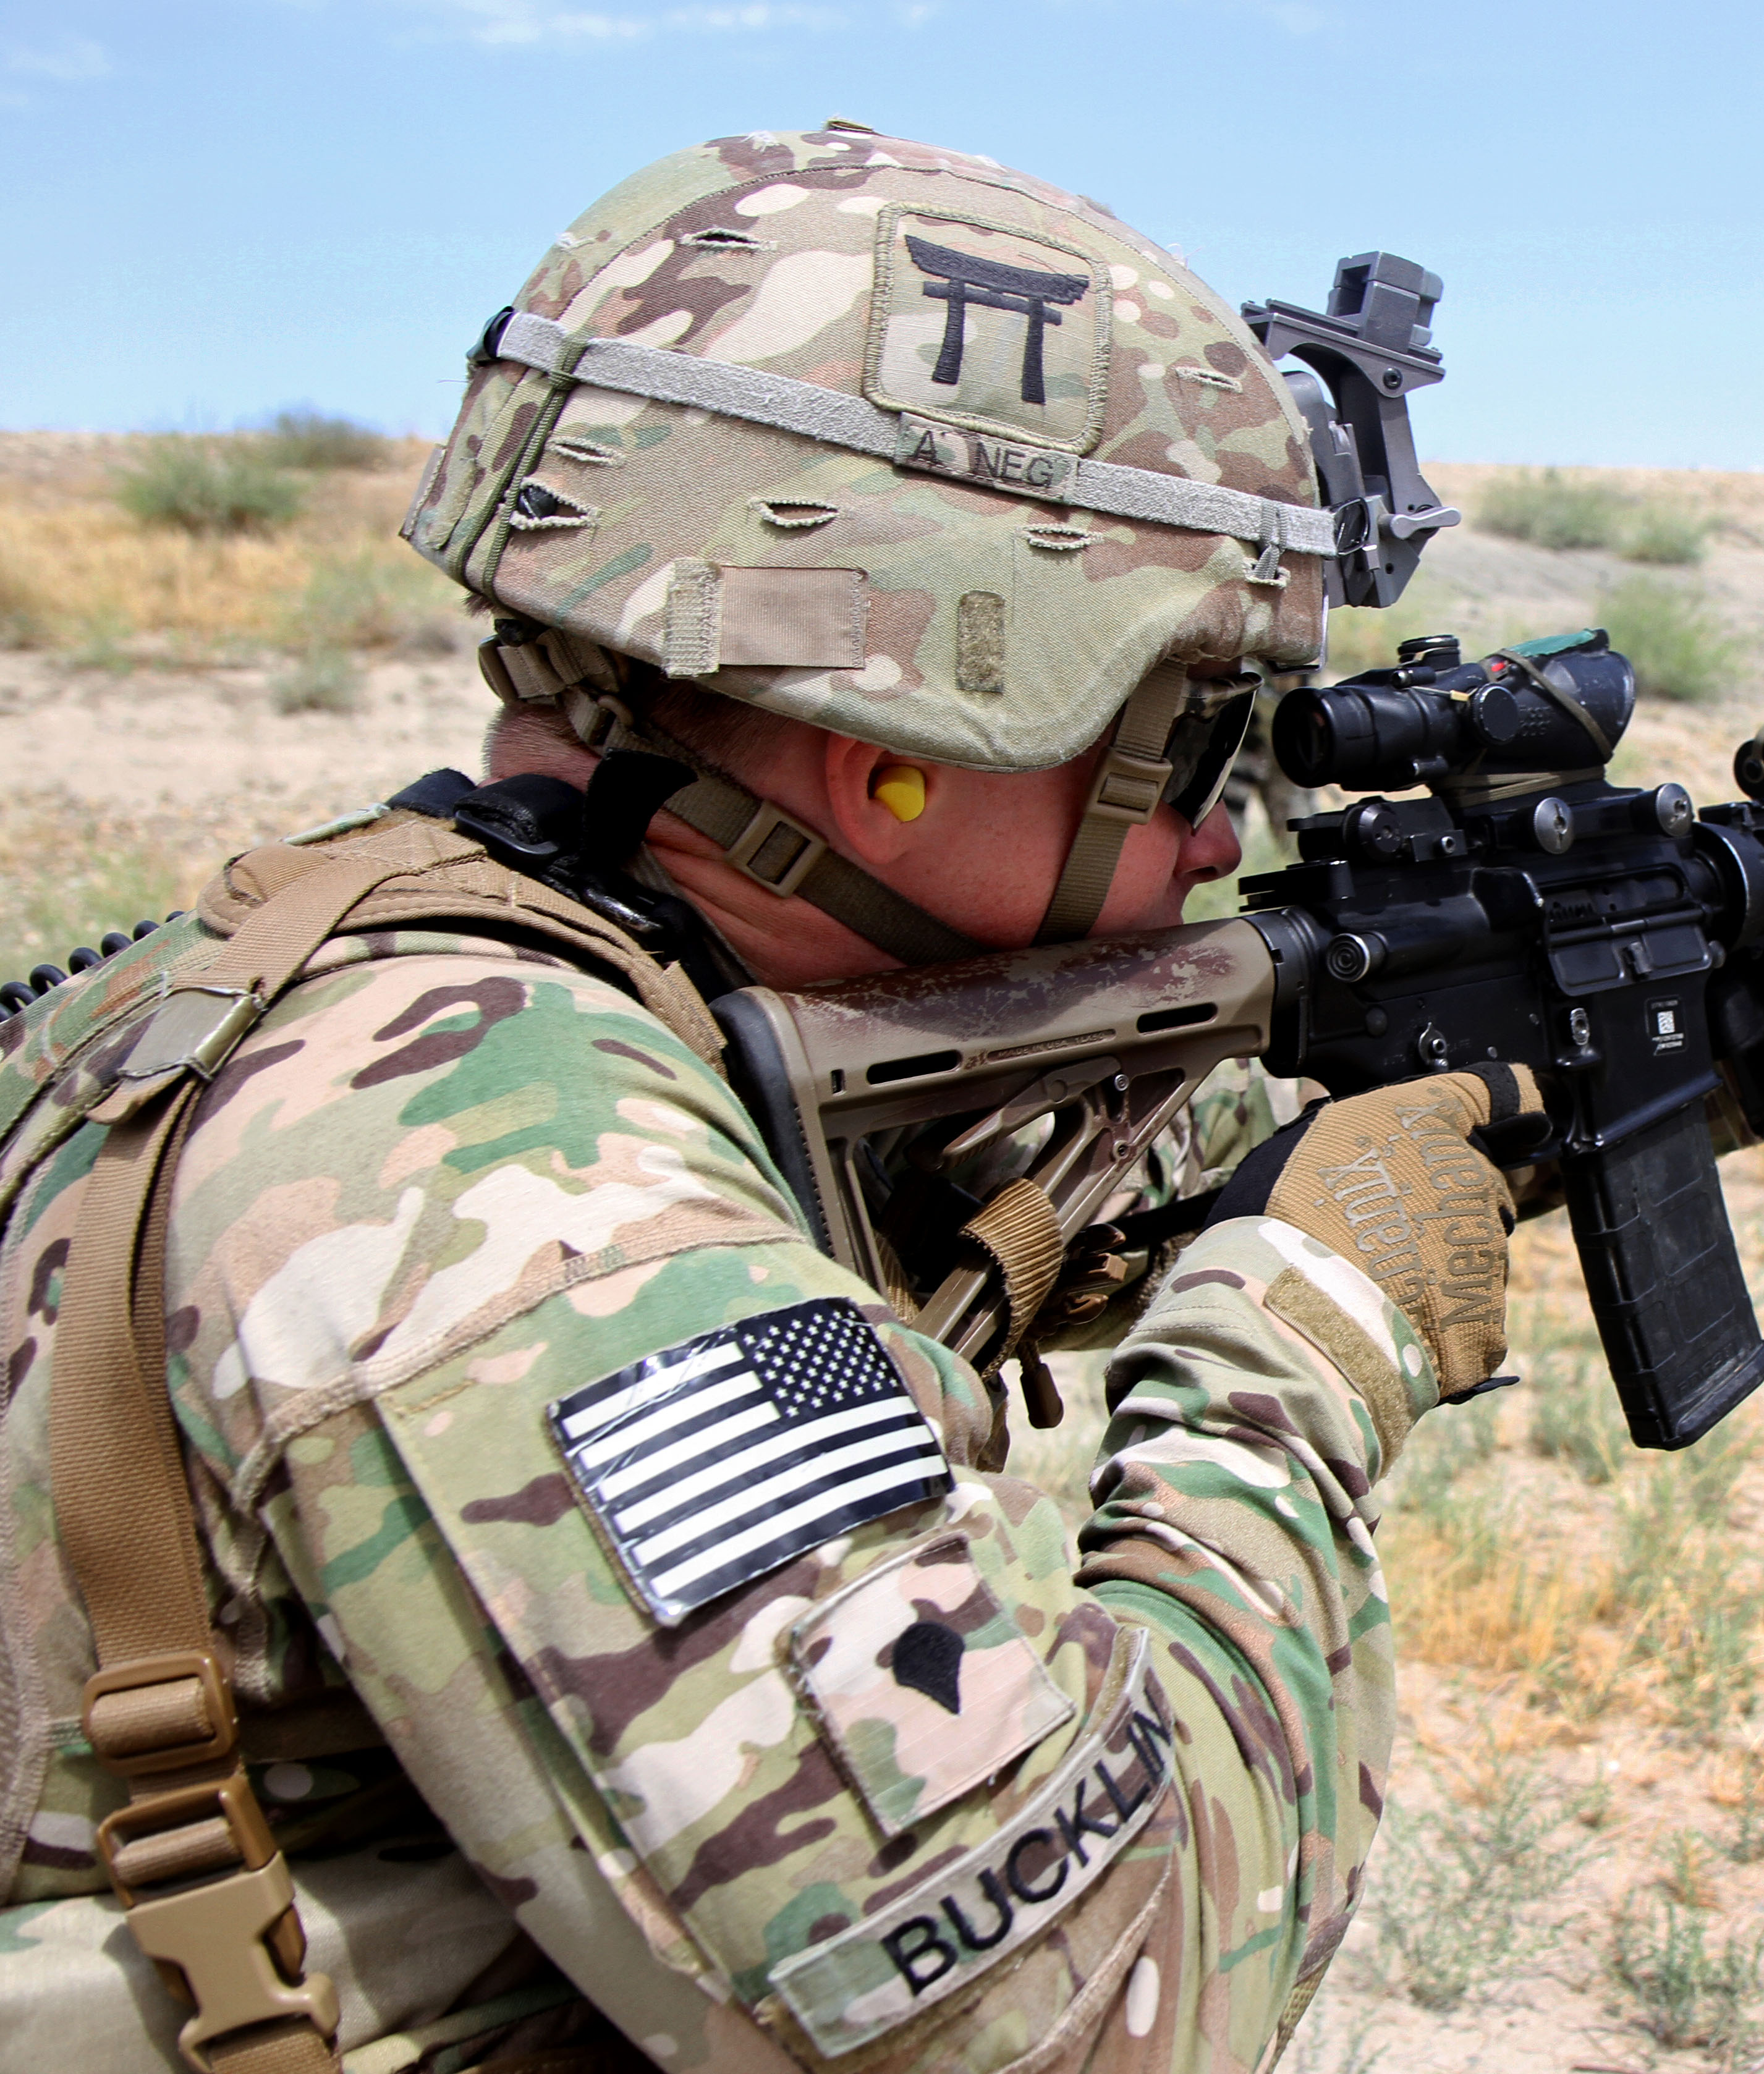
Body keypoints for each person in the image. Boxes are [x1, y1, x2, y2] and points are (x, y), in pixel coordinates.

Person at [1, 124, 1537, 2074]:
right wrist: (1291, 1363)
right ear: (894, 725)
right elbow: (1079, 2007)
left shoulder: (397, 960)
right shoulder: (518, 1177)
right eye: (1193, 723)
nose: (1231, 818)